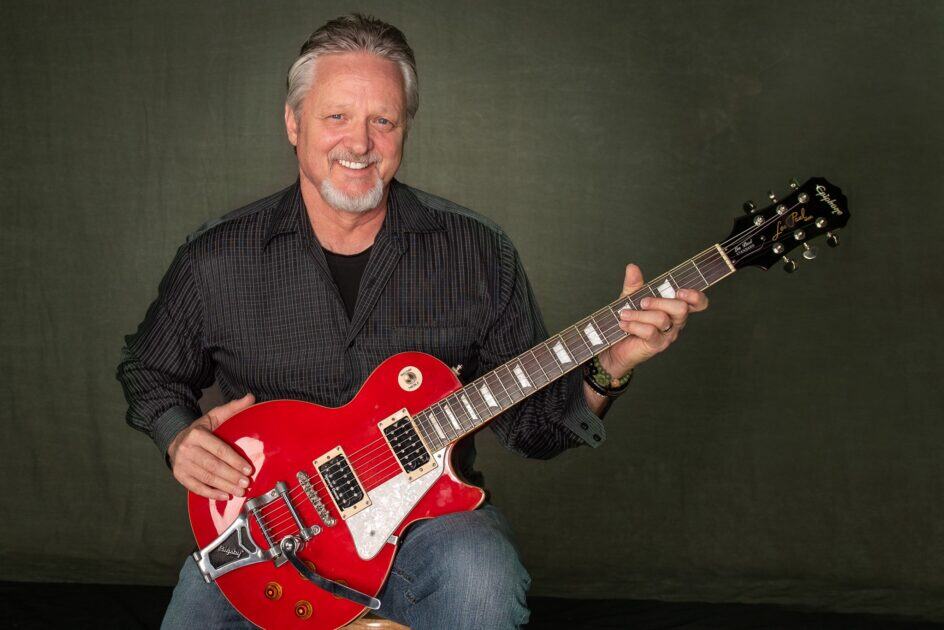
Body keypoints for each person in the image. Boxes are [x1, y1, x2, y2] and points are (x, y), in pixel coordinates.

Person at [116, 13, 708, 630]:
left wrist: (611, 367)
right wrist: (178, 436)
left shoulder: (478, 253)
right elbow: (149, 369)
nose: (360, 143)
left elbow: (535, 430)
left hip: (427, 532)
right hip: (264, 535)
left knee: (482, 578)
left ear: (405, 129)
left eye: (383, 120)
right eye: (336, 116)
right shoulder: (219, 258)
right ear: (294, 123)